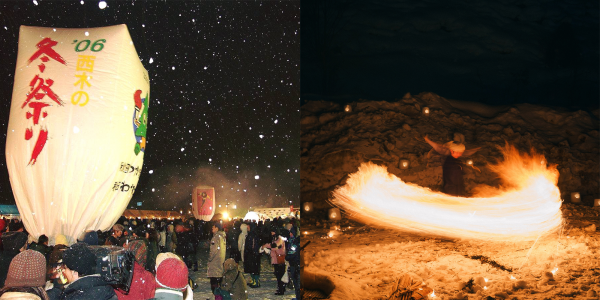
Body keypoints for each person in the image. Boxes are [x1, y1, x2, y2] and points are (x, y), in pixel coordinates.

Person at [51, 243, 116, 300]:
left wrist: (57, 291)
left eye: (65, 268)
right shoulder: (104, 288)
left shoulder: (76, 296)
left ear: (74, 272)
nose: (64, 271)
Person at [262, 228, 286, 295]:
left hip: (279, 260)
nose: (271, 233)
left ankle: (281, 289)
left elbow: (275, 246)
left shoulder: (280, 239)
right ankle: (281, 288)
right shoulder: (275, 238)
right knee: (278, 275)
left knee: (280, 275)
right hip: (276, 260)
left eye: (273, 232)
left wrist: (266, 245)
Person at [283, 219, 301, 300]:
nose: (289, 233)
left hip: (295, 264)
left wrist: (287, 257)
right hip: (296, 264)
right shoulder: (294, 241)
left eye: (291, 232)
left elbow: (291, 253)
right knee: (297, 282)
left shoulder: (294, 242)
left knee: (297, 283)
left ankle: (298, 297)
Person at [207, 222, 226, 294]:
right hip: (220, 259)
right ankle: (220, 292)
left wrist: (210, 258)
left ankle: (216, 293)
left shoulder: (215, 238)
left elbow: (213, 250)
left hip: (215, 261)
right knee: (219, 277)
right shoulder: (222, 236)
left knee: (214, 278)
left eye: (213, 227)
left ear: (217, 228)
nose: (212, 228)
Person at [243, 222, 261, 288]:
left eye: (248, 227)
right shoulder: (250, 234)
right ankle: (253, 280)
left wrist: (252, 251)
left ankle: (256, 281)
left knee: (254, 268)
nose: (247, 228)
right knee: (251, 268)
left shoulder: (253, 235)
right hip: (250, 254)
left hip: (253, 254)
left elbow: (254, 245)